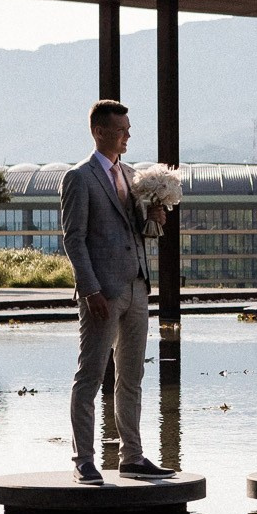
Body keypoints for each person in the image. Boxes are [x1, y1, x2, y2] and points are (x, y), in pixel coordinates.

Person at [61, 99, 173, 484]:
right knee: (90, 376)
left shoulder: (130, 174)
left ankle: (133, 456)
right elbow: (74, 240)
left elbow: (135, 232)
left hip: (138, 288)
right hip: (102, 294)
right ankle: (84, 460)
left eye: (128, 127)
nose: (128, 134)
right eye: (122, 128)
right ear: (100, 132)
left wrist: (153, 220)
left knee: (132, 377)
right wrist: (89, 290)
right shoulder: (79, 177)